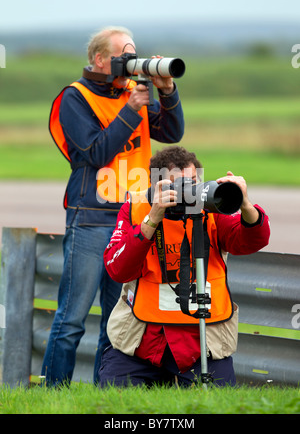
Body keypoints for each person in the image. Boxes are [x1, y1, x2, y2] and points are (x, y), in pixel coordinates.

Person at [41, 27, 185, 386]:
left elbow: (172, 132)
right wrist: (131, 109)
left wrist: (167, 92)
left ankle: (104, 393)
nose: (129, 61)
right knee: (72, 318)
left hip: (132, 217)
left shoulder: (131, 93)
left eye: (132, 53)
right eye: (122, 54)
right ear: (100, 59)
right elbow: (91, 152)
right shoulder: (74, 98)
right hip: (90, 218)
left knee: (114, 318)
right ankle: (53, 393)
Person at [98, 146, 270, 388]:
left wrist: (245, 205)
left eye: (191, 184)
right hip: (144, 339)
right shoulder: (136, 208)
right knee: (112, 399)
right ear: (155, 185)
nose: (184, 193)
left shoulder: (210, 210)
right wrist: (152, 218)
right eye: (174, 186)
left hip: (202, 340)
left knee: (218, 403)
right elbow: (118, 269)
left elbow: (252, 240)